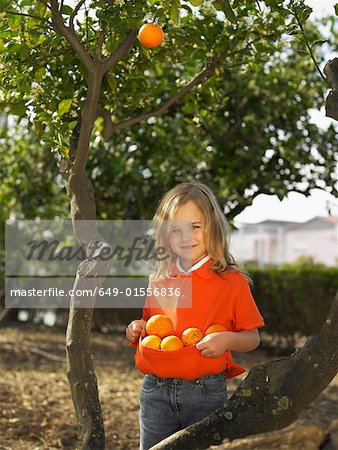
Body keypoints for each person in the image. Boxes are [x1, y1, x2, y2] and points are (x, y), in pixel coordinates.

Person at [126, 182, 265, 450]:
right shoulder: (160, 279)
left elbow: (252, 338)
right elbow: (149, 328)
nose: (185, 237)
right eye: (175, 230)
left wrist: (226, 340)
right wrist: (135, 328)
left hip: (205, 393)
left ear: (212, 227)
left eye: (195, 227)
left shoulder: (231, 281)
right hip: (155, 390)